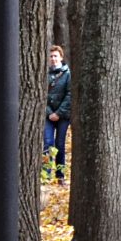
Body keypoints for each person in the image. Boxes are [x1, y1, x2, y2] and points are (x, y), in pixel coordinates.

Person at [45, 44, 72, 178]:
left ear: (61, 57)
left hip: (63, 116)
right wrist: (49, 113)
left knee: (60, 144)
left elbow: (69, 95)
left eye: (55, 56)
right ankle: (47, 173)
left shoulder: (67, 74)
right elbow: (40, 95)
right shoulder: (45, 74)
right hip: (47, 116)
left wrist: (58, 113)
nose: (53, 59)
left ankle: (60, 174)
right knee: (48, 142)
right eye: (51, 56)